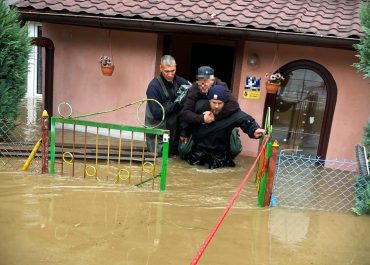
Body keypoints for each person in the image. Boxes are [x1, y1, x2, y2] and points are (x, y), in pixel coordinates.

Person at [185, 85, 265, 169]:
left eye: (219, 103)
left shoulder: (232, 111)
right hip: (199, 149)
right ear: (209, 101)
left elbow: (245, 120)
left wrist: (254, 130)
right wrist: (199, 119)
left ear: (225, 102)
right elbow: (186, 117)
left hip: (220, 151)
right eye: (214, 102)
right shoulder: (199, 106)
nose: (216, 106)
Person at [180, 66, 240, 142]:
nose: (202, 84)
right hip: (199, 125)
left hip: (219, 123)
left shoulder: (221, 86)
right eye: (200, 80)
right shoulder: (195, 87)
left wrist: (213, 115)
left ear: (212, 80)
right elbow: (186, 112)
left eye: (205, 81)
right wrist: (201, 118)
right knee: (199, 104)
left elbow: (234, 105)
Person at [145, 55, 190, 156]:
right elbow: (157, 113)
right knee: (158, 157)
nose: (170, 75)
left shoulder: (179, 81)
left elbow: (193, 88)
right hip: (157, 128)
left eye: (172, 71)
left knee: (174, 156)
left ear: (176, 67)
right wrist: (177, 104)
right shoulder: (153, 86)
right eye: (167, 71)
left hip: (173, 129)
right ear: (161, 68)